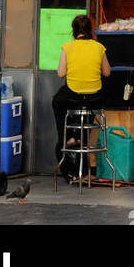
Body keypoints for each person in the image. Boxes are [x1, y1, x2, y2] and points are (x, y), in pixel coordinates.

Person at [52, 15, 111, 168]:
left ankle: (67, 137)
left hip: (73, 94)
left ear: (74, 30)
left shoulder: (68, 46)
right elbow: (107, 72)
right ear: (90, 31)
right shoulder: (99, 47)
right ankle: (82, 138)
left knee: (58, 101)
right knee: (92, 103)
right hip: (94, 97)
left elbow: (60, 73)